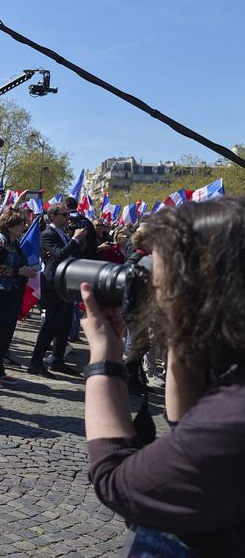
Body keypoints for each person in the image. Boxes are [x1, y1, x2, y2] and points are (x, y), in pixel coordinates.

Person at [84, 197, 245, 555]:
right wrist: (181, 332)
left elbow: (115, 482)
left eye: (161, 282)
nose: (154, 292)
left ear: (199, 288)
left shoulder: (233, 414)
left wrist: (104, 358)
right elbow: (186, 424)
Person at [0, 210, 37, 388]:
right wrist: (19, 271)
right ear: (9, 226)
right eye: (19, 224)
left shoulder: (15, 242)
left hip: (13, 292)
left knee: (6, 333)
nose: (23, 226)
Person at [28, 203, 87, 377]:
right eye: (64, 215)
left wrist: (79, 239)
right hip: (53, 284)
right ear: (53, 216)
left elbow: (75, 252)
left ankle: (57, 359)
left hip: (66, 282)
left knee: (65, 325)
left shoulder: (63, 233)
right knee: (50, 325)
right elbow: (58, 254)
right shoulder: (47, 234)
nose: (68, 218)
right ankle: (36, 363)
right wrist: (75, 239)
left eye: (69, 215)